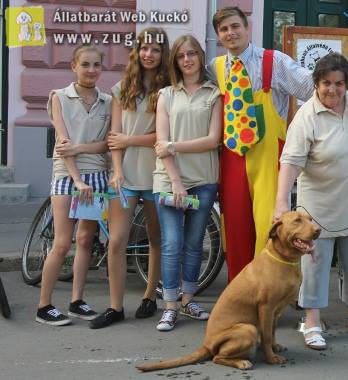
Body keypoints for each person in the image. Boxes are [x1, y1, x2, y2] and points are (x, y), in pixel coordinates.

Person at [209, 6, 348, 282]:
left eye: (235, 26)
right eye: (224, 29)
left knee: (272, 225)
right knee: (236, 226)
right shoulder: (215, 68)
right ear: (218, 35)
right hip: (231, 157)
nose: (230, 33)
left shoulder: (273, 61)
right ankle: (240, 290)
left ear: (246, 27)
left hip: (268, 156)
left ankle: (272, 288)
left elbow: (312, 85)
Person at [274, 53, 348, 351]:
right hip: (317, 211)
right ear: (316, 83)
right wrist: (281, 201)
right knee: (315, 268)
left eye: (339, 84)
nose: (332, 90)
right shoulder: (306, 116)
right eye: (325, 84)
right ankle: (311, 321)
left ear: (347, 84)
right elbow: (291, 163)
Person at [90, 28, 170, 329]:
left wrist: (129, 140)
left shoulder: (167, 90)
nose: (149, 54)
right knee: (116, 241)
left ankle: (150, 296)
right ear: (137, 52)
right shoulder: (122, 88)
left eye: (156, 49)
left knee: (155, 237)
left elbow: (163, 137)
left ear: (163, 55)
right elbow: (114, 137)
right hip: (124, 177)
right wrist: (118, 170)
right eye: (144, 48)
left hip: (157, 175)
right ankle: (115, 307)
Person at [36, 44, 111, 325]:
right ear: (74, 66)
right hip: (67, 177)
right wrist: (77, 179)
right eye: (86, 65)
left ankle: (76, 301)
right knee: (62, 242)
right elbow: (63, 144)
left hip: (96, 177)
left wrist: (82, 150)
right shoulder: (59, 97)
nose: (91, 70)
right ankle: (44, 305)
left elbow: (106, 143)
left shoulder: (107, 101)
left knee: (85, 241)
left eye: (96, 65)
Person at [152, 35, 221, 331]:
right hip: (169, 181)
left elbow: (212, 140)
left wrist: (175, 146)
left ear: (200, 57)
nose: (187, 60)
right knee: (171, 243)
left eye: (192, 54)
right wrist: (177, 181)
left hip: (204, 179)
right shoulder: (166, 95)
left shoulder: (214, 94)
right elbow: (160, 144)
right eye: (181, 56)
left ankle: (188, 299)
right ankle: (169, 306)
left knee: (194, 244)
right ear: (175, 61)